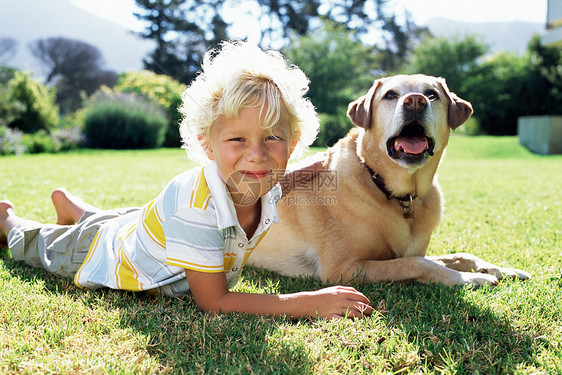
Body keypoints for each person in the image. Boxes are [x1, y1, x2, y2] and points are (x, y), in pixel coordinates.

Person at [0, 41, 372, 320]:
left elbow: (282, 176)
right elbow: (215, 301)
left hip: (140, 227)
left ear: (291, 144)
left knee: (120, 223)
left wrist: (318, 166)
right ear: (207, 145)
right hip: (102, 254)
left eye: (272, 138)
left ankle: (79, 211)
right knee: (42, 245)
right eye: (237, 139)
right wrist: (309, 302)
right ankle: (10, 222)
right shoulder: (194, 208)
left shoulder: (260, 180)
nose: (257, 154)